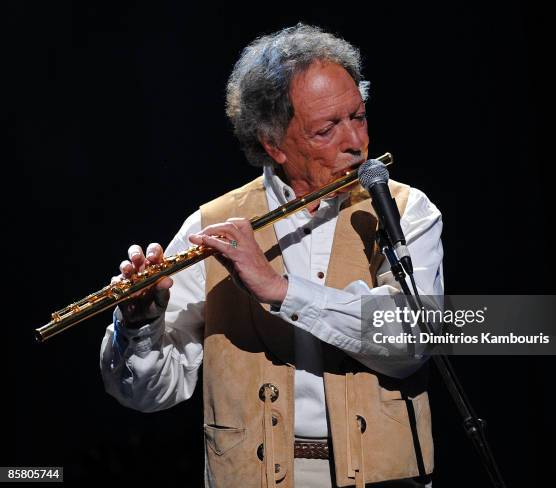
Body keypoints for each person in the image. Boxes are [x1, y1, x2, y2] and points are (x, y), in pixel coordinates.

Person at [100, 24, 443, 488]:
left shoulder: (406, 209)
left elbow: (413, 342)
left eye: (357, 117)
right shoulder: (211, 226)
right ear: (273, 144)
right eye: (327, 129)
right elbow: (149, 395)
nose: (355, 142)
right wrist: (140, 327)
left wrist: (282, 290)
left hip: (385, 475)